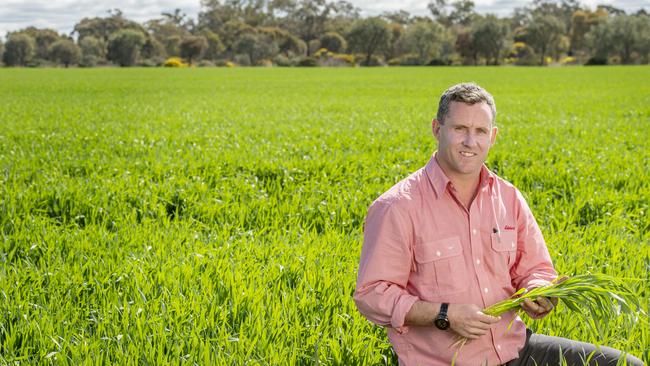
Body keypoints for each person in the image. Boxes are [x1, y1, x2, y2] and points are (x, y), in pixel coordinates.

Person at [353, 83, 643, 366]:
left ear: (492, 136)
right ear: (436, 129)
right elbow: (372, 294)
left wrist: (537, 291)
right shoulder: (397, 206)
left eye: (480, 131)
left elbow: (536, 269)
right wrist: (444, 314)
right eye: (459, 129)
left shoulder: (509, 197)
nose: (470, 141)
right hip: (446, 360)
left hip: (516, 351)